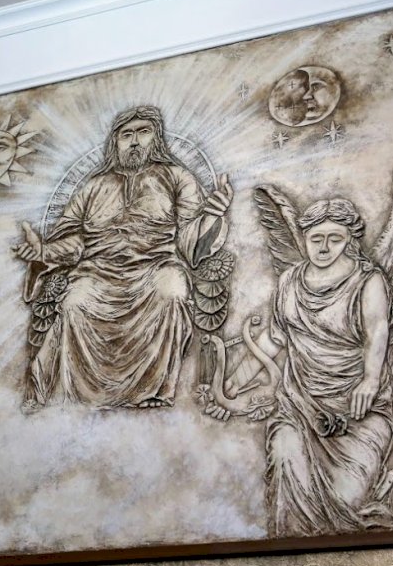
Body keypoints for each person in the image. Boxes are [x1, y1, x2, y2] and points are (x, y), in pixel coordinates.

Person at [14, 106, 232, 408]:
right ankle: (83, 399)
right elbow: (75, 242)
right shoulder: (92, 187)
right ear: (115, 142)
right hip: (97, 273)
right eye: (126, 134)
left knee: (172, 292)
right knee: (75, 301)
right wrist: (43, 252)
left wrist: (212, 215)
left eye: (143, 132)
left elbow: (189, 239)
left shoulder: (177, 177)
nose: (135, 141)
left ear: (157, 138)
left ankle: (154, 391)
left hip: (155, 268)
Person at [246, 199, 393, 535]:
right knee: (285, 455)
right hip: (299, 408)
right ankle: (290, 557)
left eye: (335, 238)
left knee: (344, 502)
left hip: (357, 413)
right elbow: (274, 339)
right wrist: (233, 386)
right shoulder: (290, 281)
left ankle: (384, 496)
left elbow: (378, 332)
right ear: (304, 237)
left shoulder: (368, 280)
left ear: (350, 239)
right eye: (316, 238)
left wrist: (370, 380)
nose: (324, 247)